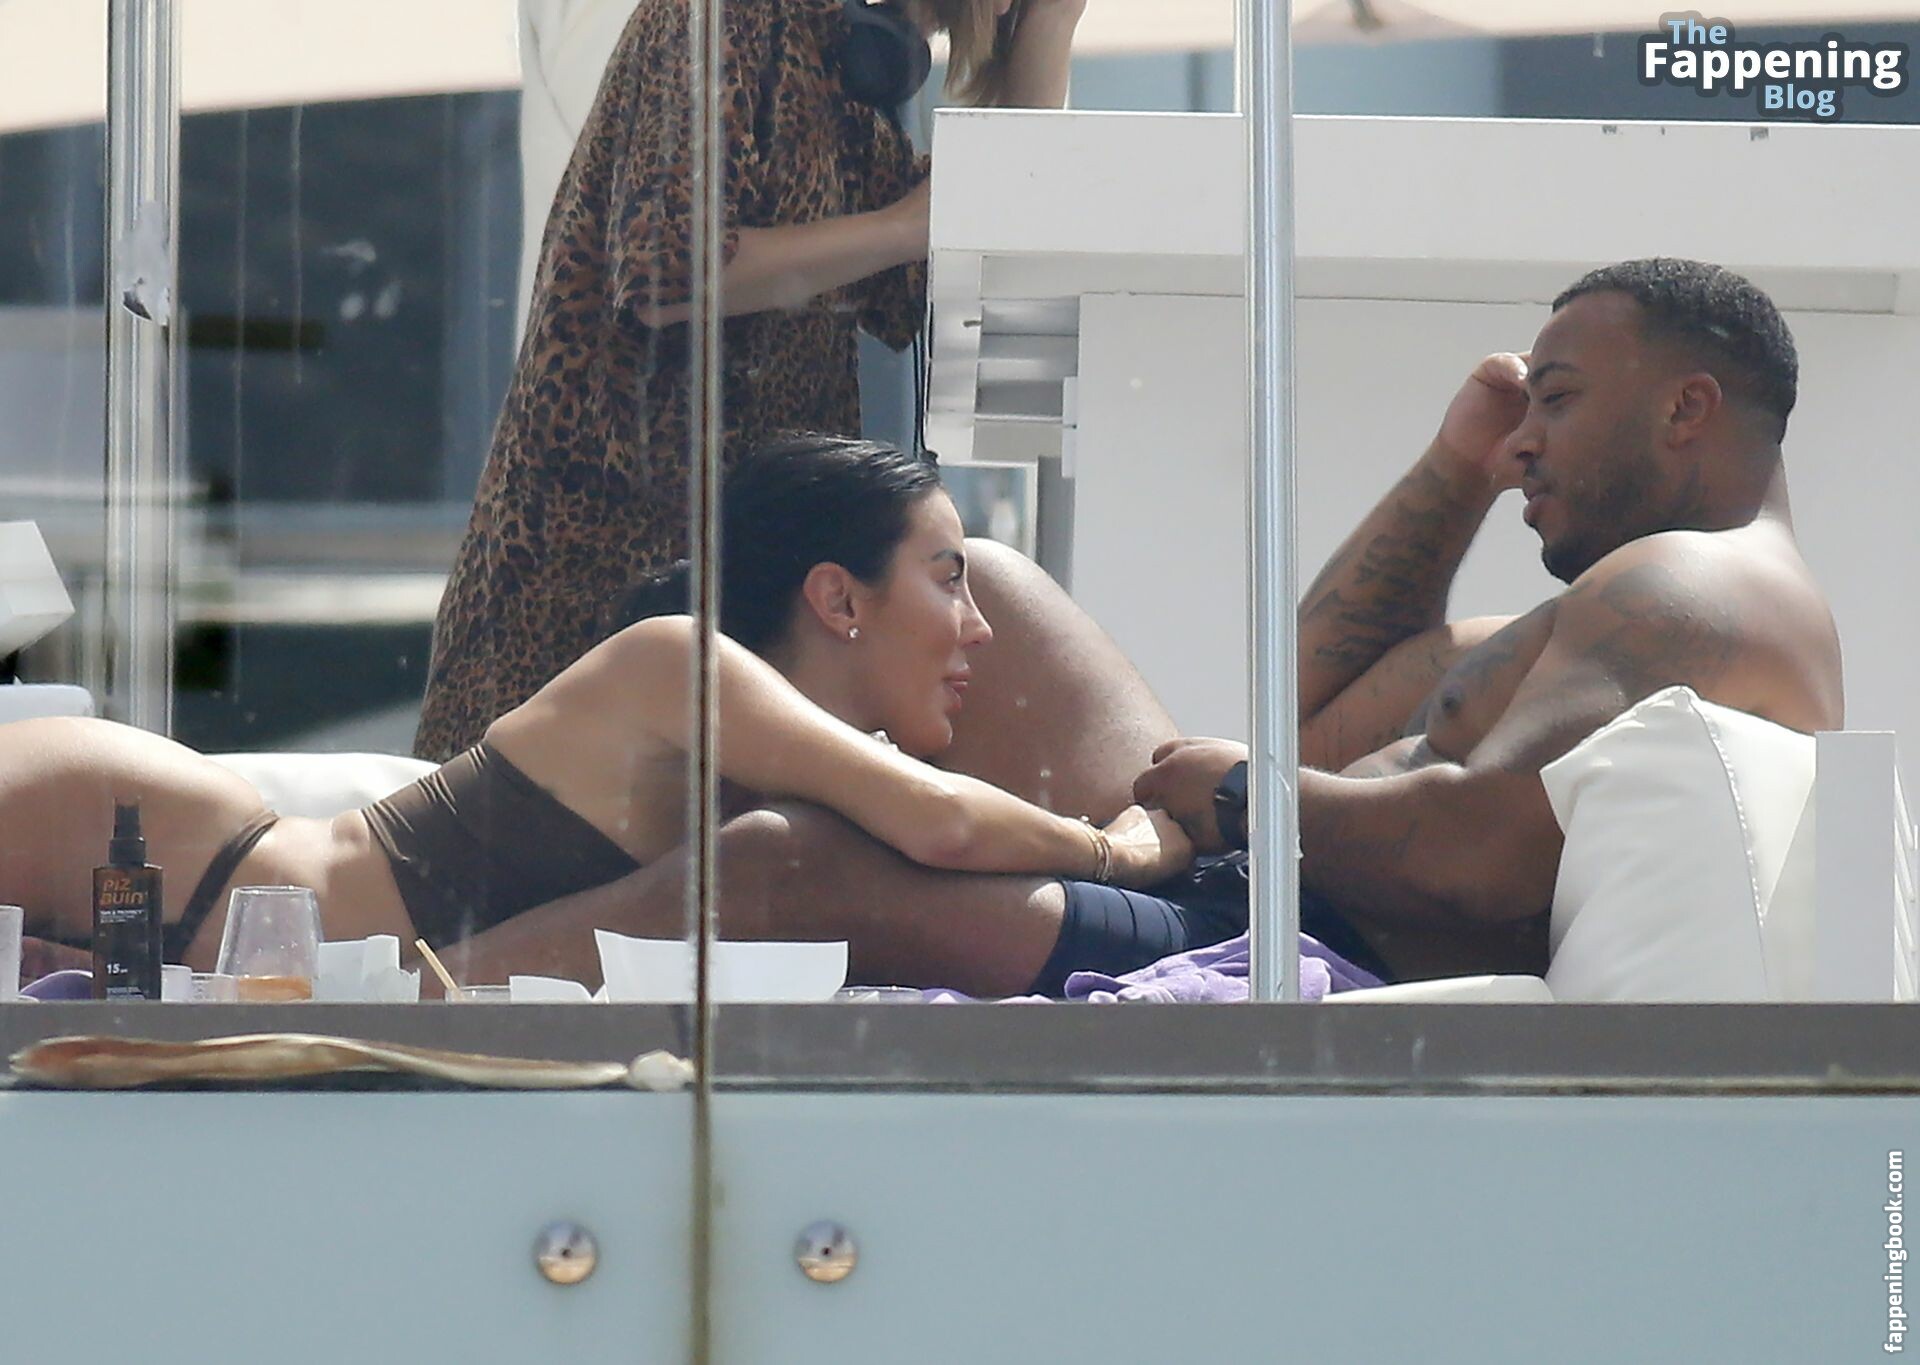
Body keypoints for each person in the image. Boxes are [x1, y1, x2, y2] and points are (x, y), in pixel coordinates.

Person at [2, 437, 1196, 996]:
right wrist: (1125, 849)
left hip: (219, 931)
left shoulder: (787, 770)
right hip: (199, 856)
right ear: (837, 599)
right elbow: (944, 822)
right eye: (948, 581)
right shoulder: (679, 664)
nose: (979, 627)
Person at [1134, 258, 1844, 982]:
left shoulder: (1687, 589)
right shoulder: (1621, 629)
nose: (1518, 443)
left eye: (1557, 399)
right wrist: (1460, 466)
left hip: (1272, 943)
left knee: (1036, 615)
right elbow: (1301, 734)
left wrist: (1246, 799)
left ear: (1685, 408)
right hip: (1245, 916)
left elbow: (1476, 854)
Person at [415, 0, 1088, 761]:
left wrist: (1051, 25)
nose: (984, 15)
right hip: (595, 574)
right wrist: (905, 224)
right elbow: (666, 268)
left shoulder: (840, 74)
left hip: (733, 584)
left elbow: (970, 261)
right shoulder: (721, 18)